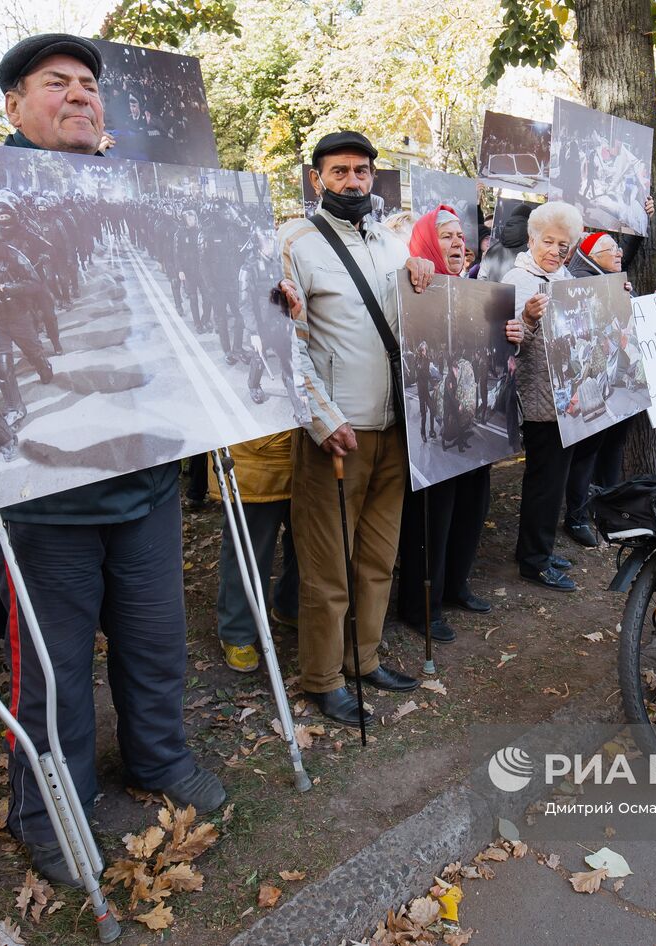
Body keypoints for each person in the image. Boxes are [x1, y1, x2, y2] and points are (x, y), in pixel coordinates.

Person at [0, 33, 226, 886]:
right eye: (56, 83)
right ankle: (48, 808)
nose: (79, 96)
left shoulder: (131, 191)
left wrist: (263, 301)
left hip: (147, 475)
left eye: (89, 86)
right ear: (14, 106)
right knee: (53, 669)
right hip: (40, 503)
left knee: (156, 638)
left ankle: (160, 758)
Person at [276, 130, 435, 727]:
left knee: (377, 556)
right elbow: (286, 343)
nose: (352, 181)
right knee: (327, 563)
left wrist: (421, 270)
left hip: (396, 424)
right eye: (339, 171)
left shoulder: (391, 241)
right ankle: (321, 676)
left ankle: (363, 659)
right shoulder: (293, 241)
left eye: (362, 171)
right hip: (336, 433)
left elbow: (411, 315)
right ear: (318, 179)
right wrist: (322, 419)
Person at [396, 206, 494, 643]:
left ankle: (456, 585)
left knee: (472, 503)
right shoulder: (412, 288)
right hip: (436, 396)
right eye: (448, 236)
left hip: (468, 399)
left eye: (461, 236)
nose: (458, 243)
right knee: (434, 513)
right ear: (429, 242)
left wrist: (511, 328)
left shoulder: (475, 290)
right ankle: (421, 605)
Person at [500, 201, 584, 592]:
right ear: (532, 240)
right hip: (540, 402)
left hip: (565, 400)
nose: (555, 250)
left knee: (554, 480)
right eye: (548, 242)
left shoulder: (564, 278)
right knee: (544, 481)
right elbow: (511, 346)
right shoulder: (519, 281)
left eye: (563, 245)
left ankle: (538, 549)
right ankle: (535, 560)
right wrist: (530, 319)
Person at [561, 231, 629, 547]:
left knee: (610, 448)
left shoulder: (612, 279)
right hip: (590, 380)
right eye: (612, 248)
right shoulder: (580, 279)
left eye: (618, 248)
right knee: (587, 451)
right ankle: (576, 517)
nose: (619, 253)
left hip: (611, 379)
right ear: (593, 254)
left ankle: (603, 509)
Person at [209, 433, 299, 672]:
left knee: (308, 541)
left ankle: (290, 605)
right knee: (252, 542)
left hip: (308, 445)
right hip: (256, 445)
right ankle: (237, 631)